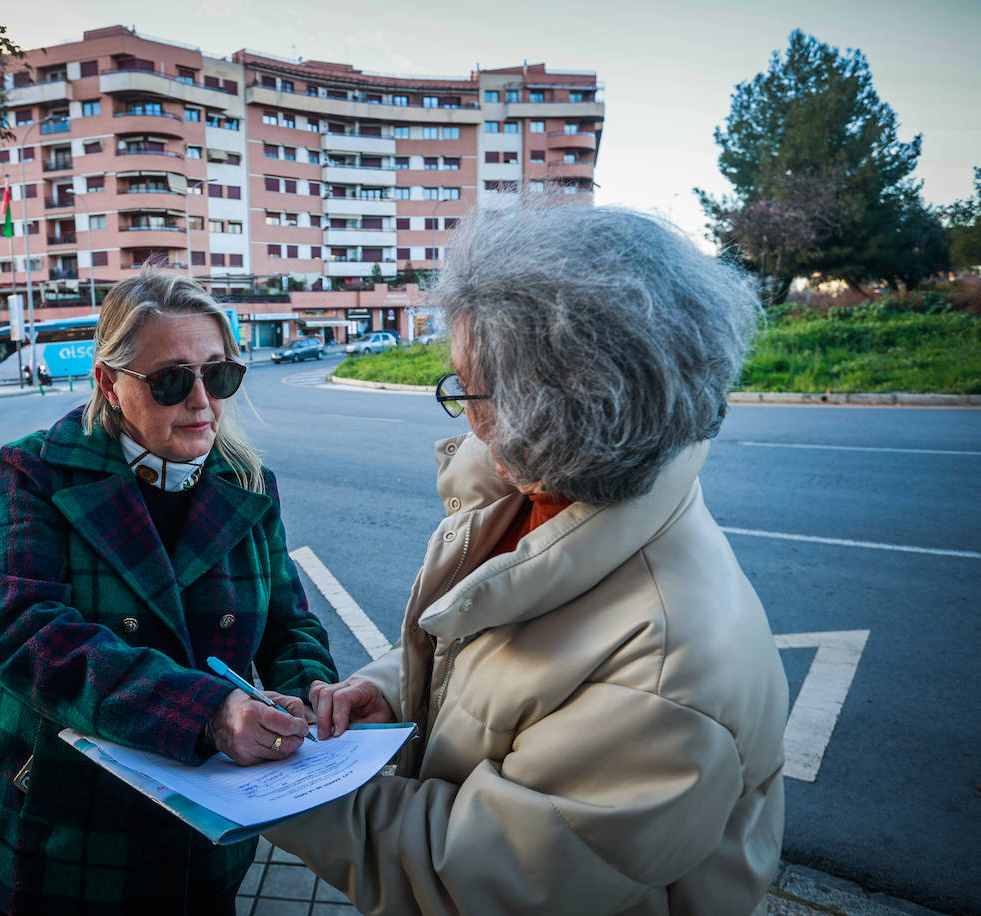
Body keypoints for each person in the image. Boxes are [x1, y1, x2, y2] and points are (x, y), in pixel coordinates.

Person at [265, 202, 789, 916]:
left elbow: (474, 879)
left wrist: (276, 792)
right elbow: (489, 651)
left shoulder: (667, 681)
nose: (460, 412)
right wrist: (390, 687)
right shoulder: (544, 495)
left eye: (466, 388)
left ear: (552, 415)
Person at [0, 272, 338, 914]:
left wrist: (303, 697)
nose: (201, 402)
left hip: (205, 835)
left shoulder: (248, 483)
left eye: (218, 376)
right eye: (170, 380)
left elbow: (287, 625)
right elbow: (23, 631)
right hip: (61, 833)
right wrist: (207, 712)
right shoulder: (39, 471)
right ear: (110, 384)